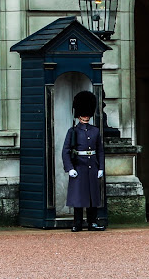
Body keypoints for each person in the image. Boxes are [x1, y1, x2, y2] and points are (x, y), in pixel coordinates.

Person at [62, 90, 106, 231]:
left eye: (87, 114)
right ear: (79, 115)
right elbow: (66, 150)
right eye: (83, 114)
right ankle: (78, 223)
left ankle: (92, 222)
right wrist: (70, 168)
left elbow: (99, 150)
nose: (86, 117)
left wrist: (101, 168)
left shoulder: (95, 131)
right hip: (79, 166)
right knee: (79, 196)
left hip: (92, 165)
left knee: (93, 196)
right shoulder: (73, 131)